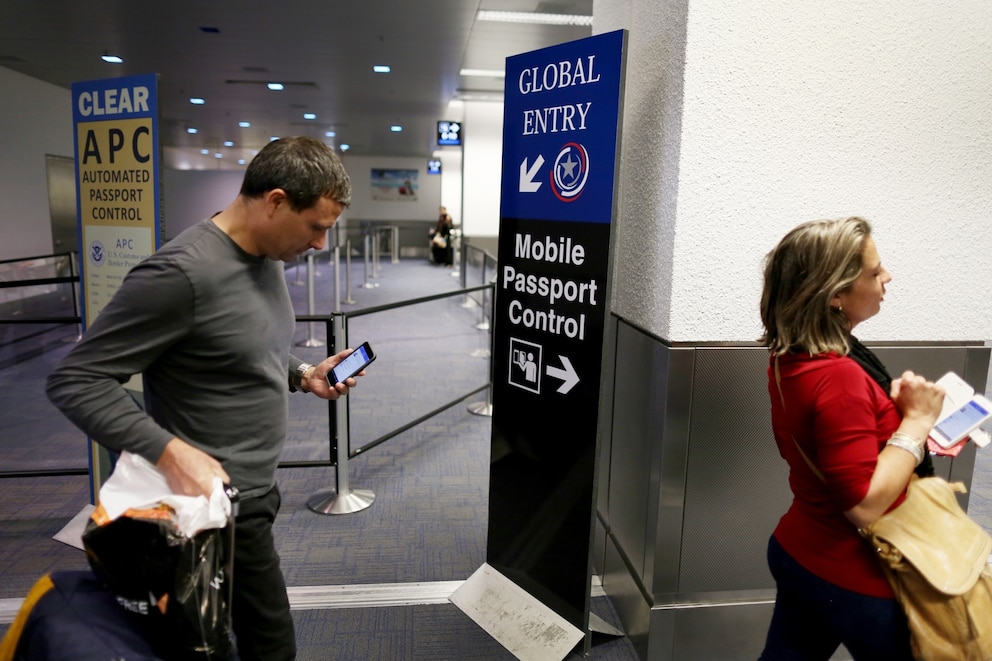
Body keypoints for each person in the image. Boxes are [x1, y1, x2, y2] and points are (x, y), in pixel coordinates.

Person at [46, 136, 358, 661]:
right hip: (213, 509)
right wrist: (171, 450)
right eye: (317, 228)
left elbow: (241, 343)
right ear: (276, 201)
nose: (321, 245)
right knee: (268, 648)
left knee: (213, 643)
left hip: (255, 493)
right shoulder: (181, 274)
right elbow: (76, 379)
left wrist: (304, 373)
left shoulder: (267, 253)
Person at [757, 216, 944, 660]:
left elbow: (835, 442)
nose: (887, 277)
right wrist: (915, 425)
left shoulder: (793, 356)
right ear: (836, 295)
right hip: (857, 577)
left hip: (802, 549)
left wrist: (894, 420)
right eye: (875, 271)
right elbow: (862, 505)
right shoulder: (840, 375)